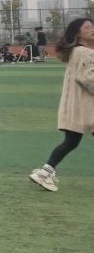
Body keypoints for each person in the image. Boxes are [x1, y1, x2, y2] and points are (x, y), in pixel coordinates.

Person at [29, 17, 94, 192]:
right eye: (88, 27)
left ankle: (45, 172)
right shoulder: (86, 52)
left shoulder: (76, 51)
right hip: (85, 108)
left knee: (70, 143)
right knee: (70, 142)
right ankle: (44, 173)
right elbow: (88, 78)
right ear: (78, 33)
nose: (92, 29)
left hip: (74, 106)